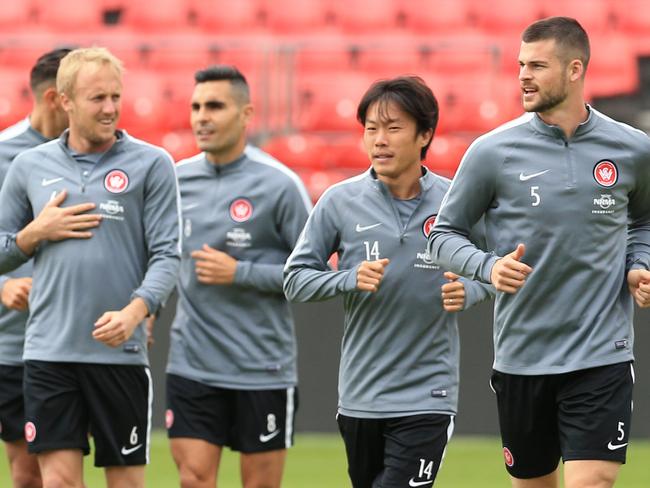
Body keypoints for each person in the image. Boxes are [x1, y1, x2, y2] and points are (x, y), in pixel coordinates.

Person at [428, 16, 650, 488]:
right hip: (523, 359)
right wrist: (489, 267)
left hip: (602, 354)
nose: (523, 75)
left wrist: (639, 264)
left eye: (537, 65)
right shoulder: (492, 152)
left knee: (593, 481)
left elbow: (644, 221)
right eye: (520, 64)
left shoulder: (633, 149)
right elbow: (443, 235)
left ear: (575, 70)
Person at [283, 76, 494, 488]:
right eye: (371, 129)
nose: (379, 140)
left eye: (393, 128)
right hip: (360, 398)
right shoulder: (339, 201)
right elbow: (295, 279)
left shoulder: (455, 203)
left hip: (428, 396)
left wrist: (471, 289)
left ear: (425, 135)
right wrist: (347, 279)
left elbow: (495, 268)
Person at [0, 47, 181, 488]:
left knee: (126, 483)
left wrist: (134, 312)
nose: (110, 108)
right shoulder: (28, 166)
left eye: (115, 97)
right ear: (64, 101)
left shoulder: (152, 164)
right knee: (58, 483)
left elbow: (167, 256)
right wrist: (34, 234)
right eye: (97, 98)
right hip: (47, 353)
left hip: (119, 353)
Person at [164, 65, 311, 488]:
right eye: (195, 107)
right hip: (192, 362)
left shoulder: (280, 185)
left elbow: (314, 274)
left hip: (261, 367)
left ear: (246, 114)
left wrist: (240, 272)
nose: (201, 117)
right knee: (193, 479)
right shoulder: (176, 181)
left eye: (214, 106)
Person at [0, 47, 71, 488]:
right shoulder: (4, 154)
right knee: (27, 474)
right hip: (13, 343)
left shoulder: (105, 156)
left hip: (78, 342)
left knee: (64, 473)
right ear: (53, 98)